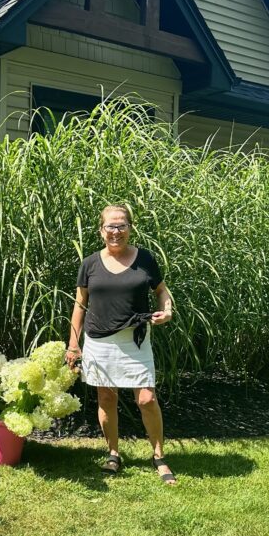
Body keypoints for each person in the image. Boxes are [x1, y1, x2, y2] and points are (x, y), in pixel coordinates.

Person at [66, 204, 176, 484]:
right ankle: (113, 453)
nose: (116, 232)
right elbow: (80, 305)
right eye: (110, 227)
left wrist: (168, 310)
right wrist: (73, 345)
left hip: (135, 339)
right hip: (99, 341)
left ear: (130, 227)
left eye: (122, 226)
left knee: (147, 399)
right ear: (101, 230)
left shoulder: (145, 259)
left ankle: (159, 456)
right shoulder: (90, 263)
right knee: (106, 397)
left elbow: (161, 291)